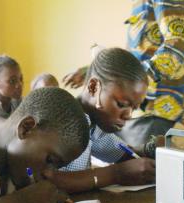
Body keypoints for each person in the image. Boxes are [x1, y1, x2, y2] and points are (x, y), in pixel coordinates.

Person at [43, 48, 156, 193]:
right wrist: (116, 174)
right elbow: (43, 179)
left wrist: (151, 151)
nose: (127, 115)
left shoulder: (92, 125)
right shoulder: (60, 118)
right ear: (94, 87)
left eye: (133, 108)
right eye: (122, 105)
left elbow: (125, 155)